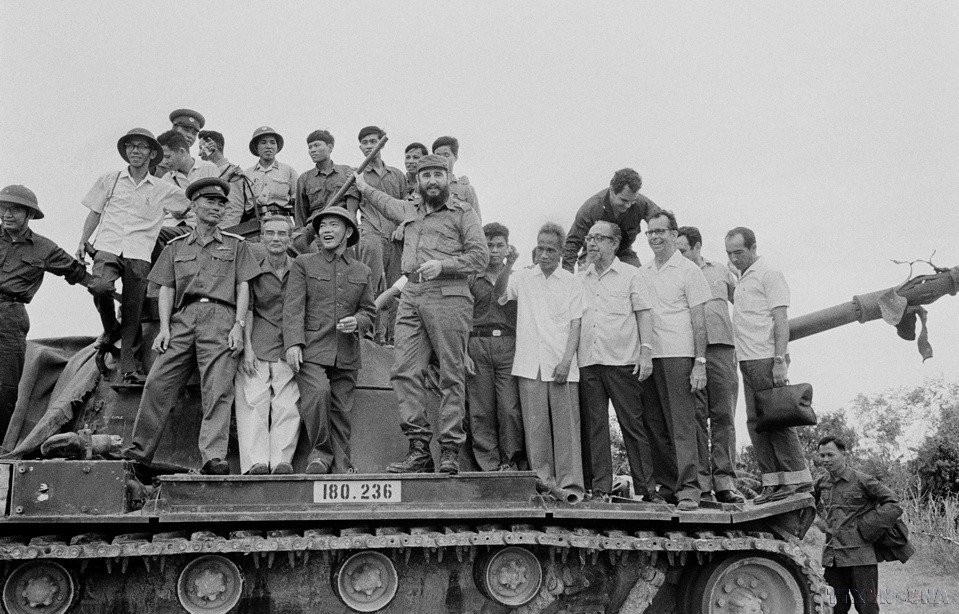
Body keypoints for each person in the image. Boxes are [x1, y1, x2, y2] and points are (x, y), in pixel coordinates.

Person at [353, 154, 488, 474]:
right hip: (412, 295)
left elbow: (480, 257)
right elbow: (384, 202)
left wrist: (445, 265)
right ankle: (419, 450)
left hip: (449, 294)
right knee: (404, 371)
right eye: (426, 175)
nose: (432, 181)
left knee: (451, 373)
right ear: (418, 181)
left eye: (438, 175)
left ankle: (450, 450)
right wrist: (362, 186)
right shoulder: (409, 209)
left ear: (447, 177)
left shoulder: (463, 213)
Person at [124, 177, 259, 475]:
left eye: (222, 203)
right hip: (182, 318)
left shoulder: (237, 246)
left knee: (218, 388)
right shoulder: (175, 247)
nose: (217, 207)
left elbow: (243, 287)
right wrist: (164, 328)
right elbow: (167, 288)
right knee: (158, 382)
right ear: (194, 206)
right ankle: (139, 452)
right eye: (210, 202)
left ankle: (213, 457)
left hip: (221, 317)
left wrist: (238, 325)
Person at [77, 128, 191, 384]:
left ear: (152, 154)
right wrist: (83, 240)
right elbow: (95, 212)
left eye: (141, 147)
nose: (135, 151)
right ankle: (110, 330)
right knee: (100, 287)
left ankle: (129, 367)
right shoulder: (110, 179)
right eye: (131, 146)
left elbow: (187, 206)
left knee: (133, 309)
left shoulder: (163, 188)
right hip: (108, 246)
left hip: (139, 252)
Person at [0, 185, 110, 442]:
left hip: (10, 317)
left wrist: (106, 288)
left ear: (29, 214)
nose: (7, 214)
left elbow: (78, 273)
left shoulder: (44, 248)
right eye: (4, 208)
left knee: (5, 388)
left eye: (15, 209)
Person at [283, 207, 374, 474]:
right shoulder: (304, 263)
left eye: (333, 225)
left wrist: (358, 321)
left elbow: (369, 312)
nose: (326, 230)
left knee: (341, 410)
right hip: (311, 349)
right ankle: (321, 454)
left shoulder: (362, 270)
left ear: (348, 232)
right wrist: (293, 343)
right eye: (322, 226)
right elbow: (293, 307)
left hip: (346, 353)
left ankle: (342, 467)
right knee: (319, 392)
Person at [497, 221, 584, 498]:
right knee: (536, 432)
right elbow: (499, 294)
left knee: (566, 432)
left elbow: (576, 324)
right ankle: (544, 485)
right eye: (540, 249)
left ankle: (571, 487)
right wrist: (508, 265)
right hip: (529, 364)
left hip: (561, 365)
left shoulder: (572, 282)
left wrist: (566, 361)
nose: (544, 255)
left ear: (561, 252)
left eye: (550, 250)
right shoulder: (522, 277)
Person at [571, 220, 657, 500]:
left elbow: (644, 313)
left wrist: (646, 352)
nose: (591, 243)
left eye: (598, 238)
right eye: (589, 238)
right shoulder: (579, 279)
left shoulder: (631, 275)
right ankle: (601, 490)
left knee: (632, 426)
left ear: (614, 243)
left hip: (622, 362)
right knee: (595, 429)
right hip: (589, 363)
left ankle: (647, 490)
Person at [726, 226, 812, 502]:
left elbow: (780, 319)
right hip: (746, 358)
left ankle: (797, 479)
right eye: (729, 253)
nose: (734, 258)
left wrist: (779, 359)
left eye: (739, 252)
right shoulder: (741, 278)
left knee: (777, 418)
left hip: (765, 357)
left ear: (753, 248)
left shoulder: (769, 274)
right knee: (757, 423)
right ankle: (773, 482)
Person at [643, 211, 711, 511]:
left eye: (660, 231)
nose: (655, 237)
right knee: (655, 424)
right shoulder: (644, 272)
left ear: (673, 234)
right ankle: (669, 485)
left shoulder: (689, 271)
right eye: (650, 232)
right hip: (650, 357)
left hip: (679, 355)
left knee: (683, 425)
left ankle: (690, 489)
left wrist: (700, 362)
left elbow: (699, 321)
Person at [676, 226, 745, 504]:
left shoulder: (720, 271)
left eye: (683, 250)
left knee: (724, 415)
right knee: (695, 417)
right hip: (688, 352)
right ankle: (702, 484)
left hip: (721, 349)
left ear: (697, 247)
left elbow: (743, 302)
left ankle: (725, 482)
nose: (678, 255)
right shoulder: (675, 273)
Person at [235, 216, 300, 475]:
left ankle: (282, 461)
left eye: (282, 234)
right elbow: (248, 310)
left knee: (288, 402)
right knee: (253, 400)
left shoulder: (300, 269)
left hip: (289, 343)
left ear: (290, 239)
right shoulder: (253, 271)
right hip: (259, 340)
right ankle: (256, 462)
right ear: (261, 238)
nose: (276, 238)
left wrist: (297, 343)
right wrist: (247, 348)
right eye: (270, 233)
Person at [815, 436, 903, 614]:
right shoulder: (821, 482)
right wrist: (819, 520)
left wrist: (868, 525)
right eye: (822, 455)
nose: (825, 460)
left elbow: (893, 503)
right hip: (832, 558)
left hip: (860, 558)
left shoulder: (863, 480)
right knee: (834, 608)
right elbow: (808, 502)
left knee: (867, 608)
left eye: (830, 455)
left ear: (843, 454)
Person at [465, 222, 524, 471]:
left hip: (507, 344)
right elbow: (462, 317)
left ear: (507, 247)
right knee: (481, 409)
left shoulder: (516, 277)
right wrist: (464, 352)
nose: (495, 250)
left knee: (509, 407)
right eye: (489, 245)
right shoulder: (471, 278)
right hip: (478, 342)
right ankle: (488, 464)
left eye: (500, 245)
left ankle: (509, 461)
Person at [356, 126, 407, 343]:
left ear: (381, 143)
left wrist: (402, 226)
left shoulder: (397, 174)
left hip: (396, 236)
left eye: (373, 141)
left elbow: (406, 206)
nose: (369, 146)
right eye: (365, 142)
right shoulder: (357, 175)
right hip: (371, 233)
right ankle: (369, 334)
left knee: (397, 287)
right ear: (360, 147)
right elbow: (352, 209)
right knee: (370, 284)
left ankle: (395, 338)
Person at [563, 168, 661, 272]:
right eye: (624, 200)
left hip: (623, 253)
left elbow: (663, 221)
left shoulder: (641, 203)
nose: (628, 205)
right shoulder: (590, 209)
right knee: (588, 277)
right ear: (611, 190)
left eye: (632, 201)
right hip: (594, 252)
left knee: (639, 276)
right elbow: (572, 244)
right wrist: (567, 276)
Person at [294, 130, 359, 241]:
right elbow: (300, 214)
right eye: (310, 147)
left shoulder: (346, 172)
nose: (312, 150)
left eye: (317, 145)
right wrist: (301, 238)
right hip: (315, 231)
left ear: (330, 147)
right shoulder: (304, 178)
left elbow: (352, 210)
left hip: (340, 227)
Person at [157, 130, 218, 231]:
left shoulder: (208, 169)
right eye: (162, 158)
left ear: (182, 152)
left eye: (167, 157)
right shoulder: (166, 179)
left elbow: (218, 203)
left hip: (199, 228)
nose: (164, 162)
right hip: (170, 228)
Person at [197, 130, 255, 228]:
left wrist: (221, 232)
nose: (199, 154)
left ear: (212, 146)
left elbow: (233, 210)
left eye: (201, 148)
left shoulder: (233, 172)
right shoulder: (206, 171)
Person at [247, 126, 297, 219]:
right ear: (256, 147)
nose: (268, 146)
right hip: (255, 221)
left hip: (282, 219)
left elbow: (298, 201)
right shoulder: (247, 174)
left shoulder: (288, 171)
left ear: (277, 147)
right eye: (263, 142)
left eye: (272, 142)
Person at [432, 136, 481, 221]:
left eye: (446, 155)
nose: (441, 159)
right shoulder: (425, 186)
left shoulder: (466, 189)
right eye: (437, 155)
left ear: (455, 157)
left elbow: (476, 222)